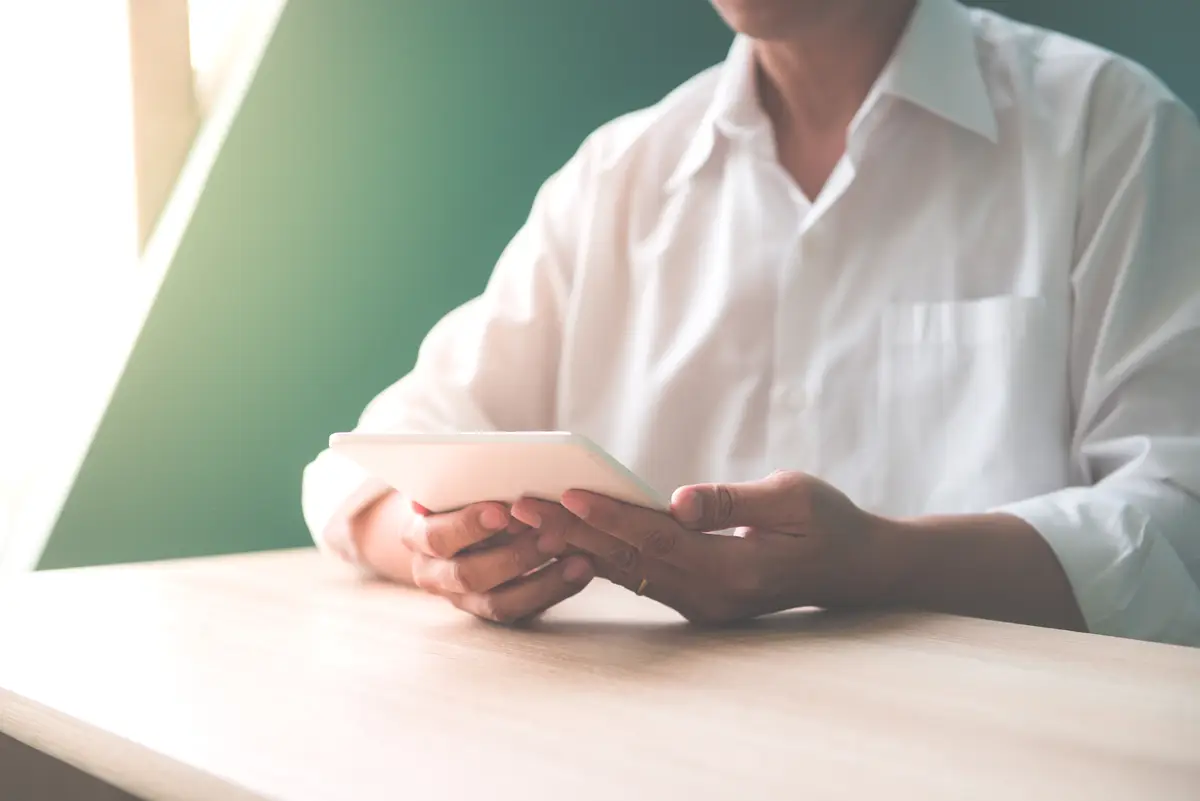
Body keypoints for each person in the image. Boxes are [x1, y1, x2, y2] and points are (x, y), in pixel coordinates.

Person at [301, 0, 1200, 645]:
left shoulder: (1107, 130)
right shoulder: (619, 175)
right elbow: (363, 465)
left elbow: (1179, 522)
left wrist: (880, 561)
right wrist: (434, 549)